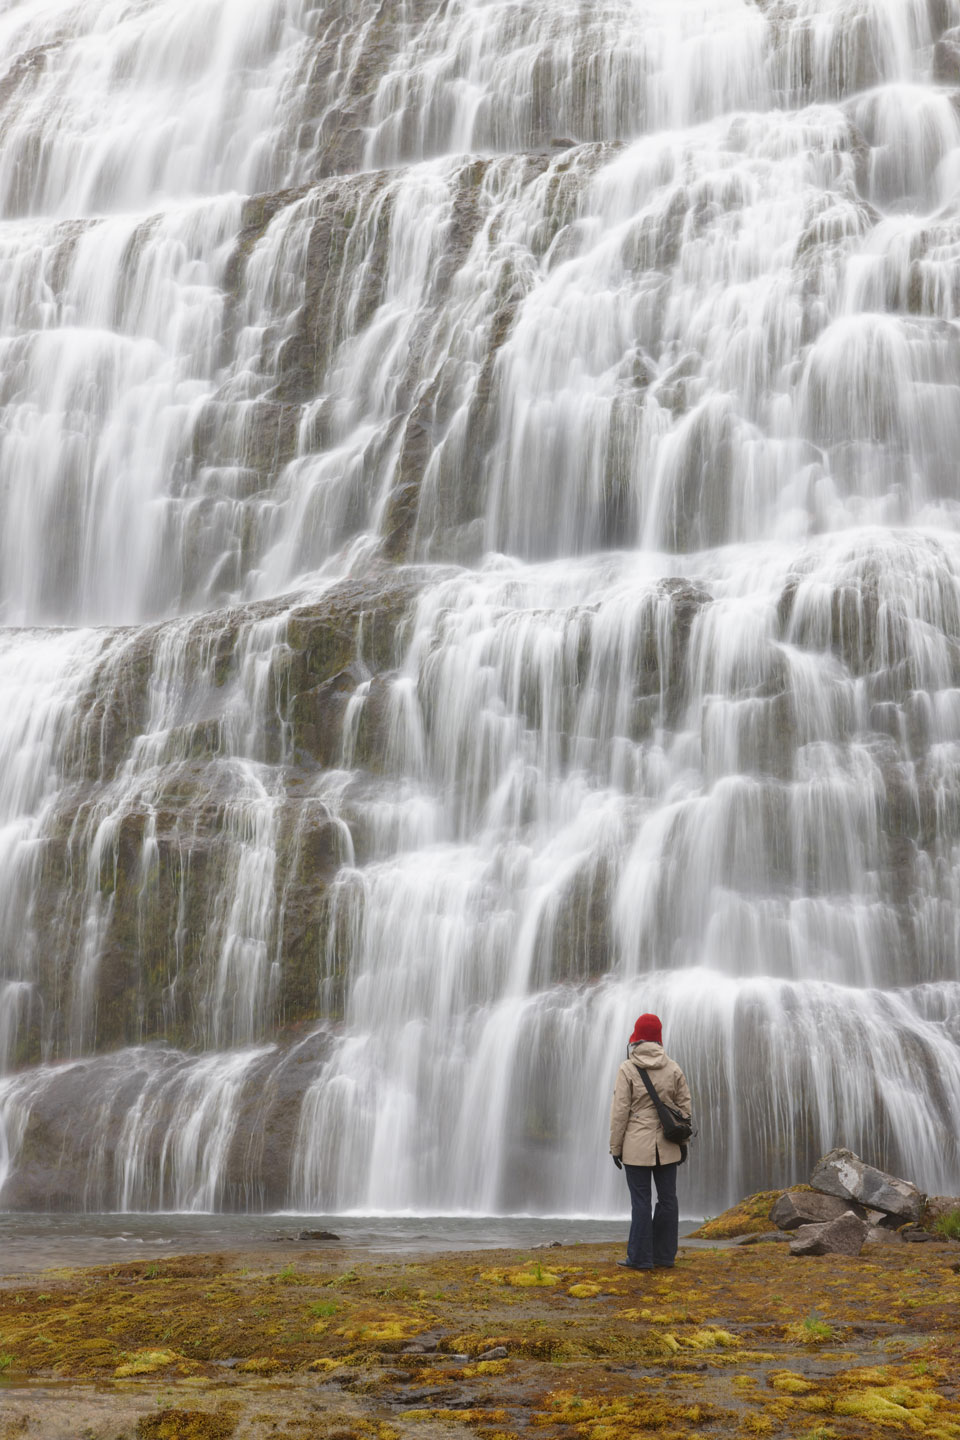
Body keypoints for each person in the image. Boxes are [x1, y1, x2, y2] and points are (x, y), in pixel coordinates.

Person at [609, 1012, 691, 1271]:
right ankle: (665, 1256)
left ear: (636, 1038)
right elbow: (685, 1109)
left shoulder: (627, 1068)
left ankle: (640, 1258)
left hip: (636, 1146)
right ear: (659, 1037)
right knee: (668, 1199)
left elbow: (620, 1112)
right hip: (668, 1146)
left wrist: (615, 1147)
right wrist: (681, 1140)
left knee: (641, 1201)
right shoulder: (673, 1067)